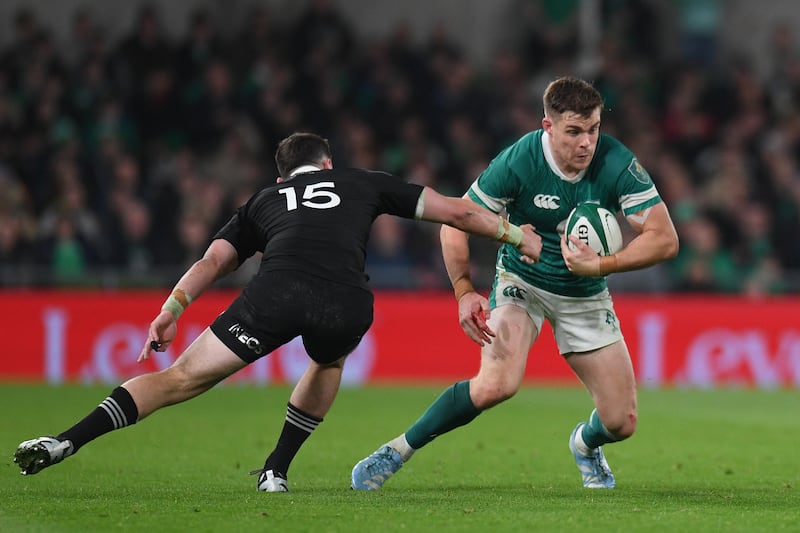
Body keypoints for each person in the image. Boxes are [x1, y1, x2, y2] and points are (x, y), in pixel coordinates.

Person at [13, 132, 542, 492]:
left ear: (285, 174)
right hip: (346, 301)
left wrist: (172, 308)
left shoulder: (265, 200)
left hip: (277, 293)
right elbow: (459, 211)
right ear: (328, 164)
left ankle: (67, 440)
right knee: (328, 363)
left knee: (178, 379)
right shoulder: (363, 181)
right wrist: (518, 234)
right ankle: (276, 470)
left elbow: (213, 260)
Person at [350, 76, 679, 490]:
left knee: (622, 422)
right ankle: (397, 450)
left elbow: (666, 239)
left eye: (593, 130)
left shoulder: (615, 162)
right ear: (548, 127)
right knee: (496, 385)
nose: (586, 143)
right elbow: (455, 223)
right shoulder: (520, 161)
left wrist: (602, 265)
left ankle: (585, 443)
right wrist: (465, 290)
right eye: (574, 132)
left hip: (584, 292)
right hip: (522, 280)